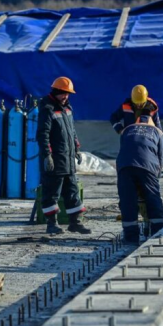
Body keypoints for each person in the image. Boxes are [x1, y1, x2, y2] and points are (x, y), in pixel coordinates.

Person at [37, 76, 91, 235]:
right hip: (55, 161)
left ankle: (75, 223)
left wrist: (76, 148)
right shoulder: (47, 108)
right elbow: (43, 134)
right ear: (56, 91)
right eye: (63, 93)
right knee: (51, 192)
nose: (65, 96)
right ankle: (51, 224)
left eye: (67, 94)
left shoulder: (67, 109)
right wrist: (47, 155)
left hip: (68, 160)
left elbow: (71, 131)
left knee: (72, 191)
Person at [117, 115, 163, 244]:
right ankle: (158, 232)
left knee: (127, 201)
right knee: (153, 197)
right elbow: (160, 157)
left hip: (124, 166)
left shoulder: (127, 129)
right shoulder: (158, 132)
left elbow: (123, 150)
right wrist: (156, 177)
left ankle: (130, 237)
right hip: (147, 165)